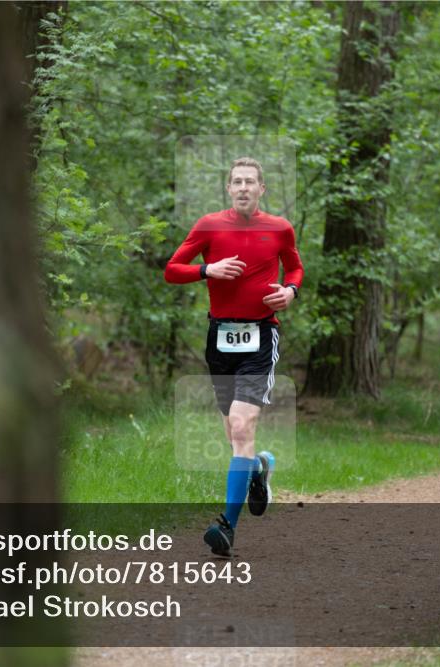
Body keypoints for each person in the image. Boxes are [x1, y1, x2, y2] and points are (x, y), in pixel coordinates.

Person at [165, 157, 303, 556]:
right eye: (237, 182)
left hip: (261, 336)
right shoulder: (209, 225)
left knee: (242, 425)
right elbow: (172, 269)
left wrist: (291, 292)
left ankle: (226, 526)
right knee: (234, 435)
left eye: (250, 182)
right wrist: (208, 270)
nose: (243, 187)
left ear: (262, 189)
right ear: (229, 189)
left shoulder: (279, 229)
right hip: (220, 339)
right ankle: (259, 466)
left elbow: (295, 269)